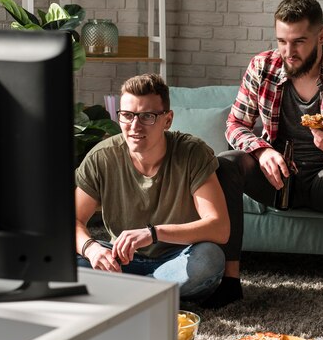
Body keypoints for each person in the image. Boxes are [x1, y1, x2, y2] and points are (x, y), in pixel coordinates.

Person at [208, 0, 323, 319]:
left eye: (299, 42)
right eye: (282, 41)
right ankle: (230, 280)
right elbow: (234, 124)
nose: (289, 52)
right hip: (278, 180)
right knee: (226, 162)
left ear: (321, 36)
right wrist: (261, 151)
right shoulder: (263, 66)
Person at [75, 73, 230, 302]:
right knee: (55, 258)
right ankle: (150, 294)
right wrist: (92, 249)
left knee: (209, 259)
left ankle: (126, 293)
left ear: (167, 120)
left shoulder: (192, 153)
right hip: (122, 261)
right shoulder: (102, 157)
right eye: (127, 116)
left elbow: (219, 228)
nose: (134, 126)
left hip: (179, 259)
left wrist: (153, 234)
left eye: (147, 116)